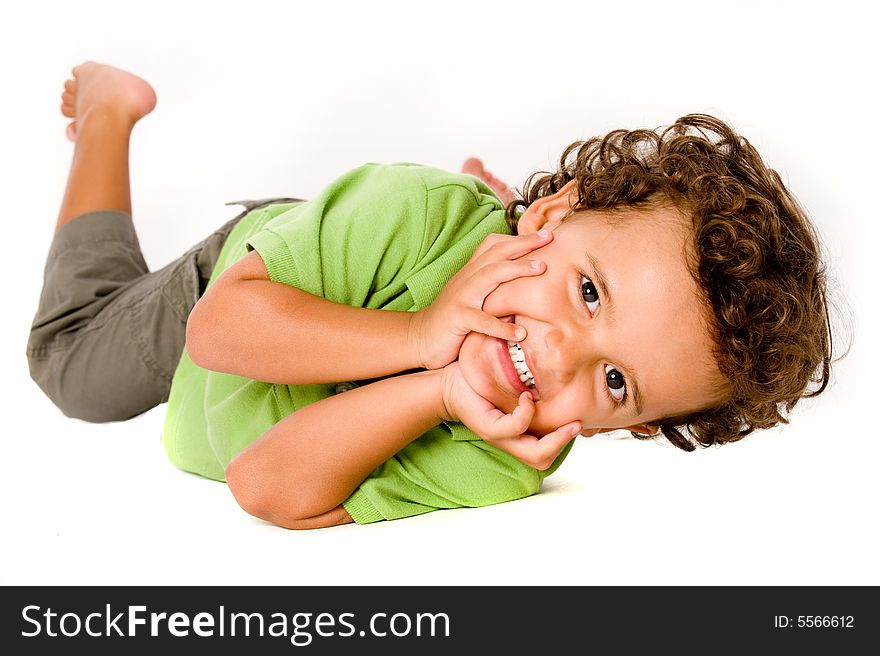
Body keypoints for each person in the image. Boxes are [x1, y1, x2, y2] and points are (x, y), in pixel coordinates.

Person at [27, 61, 835, 529]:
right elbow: (217, 335)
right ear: (558, 214)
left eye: (616, 383)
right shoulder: (407, 208)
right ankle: (109, 111)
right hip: (255, 283)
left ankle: (500, 213)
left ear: (635, 427)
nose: (557, 357)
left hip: (363, 280)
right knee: (71, 370)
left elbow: (262, 485)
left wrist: (443, 389)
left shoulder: (510, 454)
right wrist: (419, 335)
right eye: (589, 292)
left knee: (450, 246)